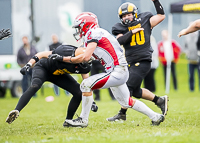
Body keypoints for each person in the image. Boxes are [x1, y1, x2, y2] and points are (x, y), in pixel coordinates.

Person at [51, 12, 165, 127]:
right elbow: (87, 55)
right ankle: (155, 116)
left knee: (86, 84)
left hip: (117, 70)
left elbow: (85, 57)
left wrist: (65, 59)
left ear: (86, 25)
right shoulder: (97, 33)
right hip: (119, 70)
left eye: (80, 27)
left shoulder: (93, 33)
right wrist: (64, 58)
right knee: (127, 101)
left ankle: (83, 119)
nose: (79, 30)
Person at [6, 44, 98, 125]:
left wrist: (92, 101)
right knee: (35, 86)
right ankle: (16, 110)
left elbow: (87, 85)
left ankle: (68, 121)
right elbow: (42, 54)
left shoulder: (86, 66)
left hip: (58, 74)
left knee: (78, 92)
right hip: (44, 68)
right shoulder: (64, 51)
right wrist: (29, 64)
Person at [107, 0, 168, 122]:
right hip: (130, 61)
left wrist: (155, 1)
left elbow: (161, 16)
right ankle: (159, 100)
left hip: (143, 60)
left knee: (127, 87)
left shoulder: (145, 20)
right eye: (124, 16)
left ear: (135, 13)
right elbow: (119, 41)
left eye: (129, 14)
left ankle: (122, 114)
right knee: (135, 91)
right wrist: (132, 32)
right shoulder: (120, 28)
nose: (126, 17)